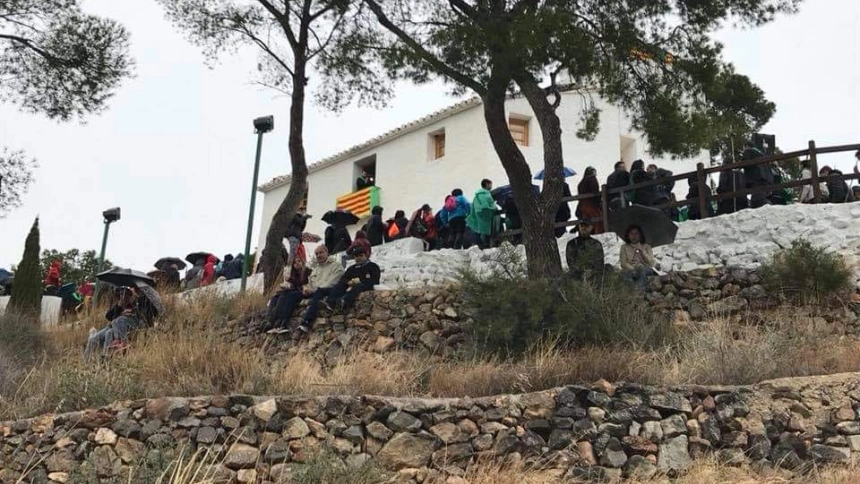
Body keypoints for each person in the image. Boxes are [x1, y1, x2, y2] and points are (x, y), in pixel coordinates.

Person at [307, 245, 380, 326]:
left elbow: (375, 280)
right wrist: (349, 282)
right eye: (356, 256)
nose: (358, 258)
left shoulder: (373, 267)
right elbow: (344, 278)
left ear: (366, 255)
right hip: (350, 285)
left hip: (364, 286)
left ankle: (344, 302)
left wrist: (359, 281)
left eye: (361, 256)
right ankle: (330, 303)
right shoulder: (352, 268)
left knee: (358, 287)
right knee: (339, 285)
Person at [84, 286, 158, 357]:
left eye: (126, 295)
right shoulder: (118, 306)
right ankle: (86, 361)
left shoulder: (136, 304)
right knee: (93, 340)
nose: (123, 297)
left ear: (130, 296)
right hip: (111, 327)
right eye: (121, 294)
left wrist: (131, 312)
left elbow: (143, 317)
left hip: (125, 329)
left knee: (109, 332)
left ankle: (109, 353)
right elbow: (108, 317)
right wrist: (119, 306)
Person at [296, 246, 346, 333]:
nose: (318, 255)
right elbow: (310, 281)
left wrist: (314, 290)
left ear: (327, 253)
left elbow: (333, 281)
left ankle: (306, 322)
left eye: (321, 252)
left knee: (318, 292)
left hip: (327, 291)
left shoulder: (336, 266)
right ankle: (279, 323)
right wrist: (306, 288)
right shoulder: (316, 269)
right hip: (314, 291)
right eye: (317, 254)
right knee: (290, 294)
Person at [264, 257, 312, 333]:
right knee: (275, 297)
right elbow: (293, 285)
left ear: (302, 262)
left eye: (299, 261)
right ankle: (268, 321)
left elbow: (302, 284)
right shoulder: (294, 273)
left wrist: (290, 280)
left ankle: (278, 321)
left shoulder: (307, 271)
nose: (297, 263)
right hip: (294, 291)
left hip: (303, 292)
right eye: (295, 263)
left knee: (285, 296)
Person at [619, 225, 657, 292]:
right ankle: (631, 293)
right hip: (630, 269)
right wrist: (632, 269)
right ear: (628, 235)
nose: (634, 236)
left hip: (645, 269)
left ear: (640, 235)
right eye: (631, 234)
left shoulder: (647, 246)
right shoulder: (624, 247)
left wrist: (643, 252)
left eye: (636, 234)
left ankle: (640, 292)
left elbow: (651, 263)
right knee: (624, 274)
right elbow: (623, 263)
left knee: (640, 268)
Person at [466, 179, 498, 249]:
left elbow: (473, 207)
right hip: (487, 215)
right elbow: (491, 205)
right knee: (489, 230)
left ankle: (483, 245)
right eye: (490, 184)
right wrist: (495, 209)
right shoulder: (487, 194)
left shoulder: (476, 196)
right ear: (486, 184)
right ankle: (488, 245)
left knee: (481, 230)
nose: (491, 186)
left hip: (478, 215)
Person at [741, 142, 773, 208]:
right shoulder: (760, 153)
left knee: (757, 200)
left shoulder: (748, 150)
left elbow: (744, 162)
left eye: (743, 148)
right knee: (760, 197)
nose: (743, 150)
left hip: (757, 177)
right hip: (766, 178)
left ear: (746, 146)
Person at [576, 167, 603, 233]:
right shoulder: (592, 179)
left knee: (586, 223)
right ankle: (598, 236)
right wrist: (599, 202)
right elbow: (595, 191)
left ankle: (585, 236)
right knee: (599, 221)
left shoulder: (581, 182)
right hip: (590, 205)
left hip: (582, 206)